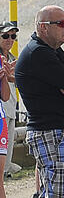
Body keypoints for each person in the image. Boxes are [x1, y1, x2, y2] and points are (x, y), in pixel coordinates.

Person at [17, 6, 64, 198]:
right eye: (62, 24)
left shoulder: (55, 51)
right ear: (43, 27)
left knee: (58, 189)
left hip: (59, 131)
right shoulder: (39, 53)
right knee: (60, 192)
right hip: (51, 132)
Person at [0, 22, 19, 177]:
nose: (10, 39)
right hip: (1, 111)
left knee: (7, 151)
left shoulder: (13, 58)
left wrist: (13, 78)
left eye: (13, 36)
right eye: (5, 36)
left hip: (11, 107)